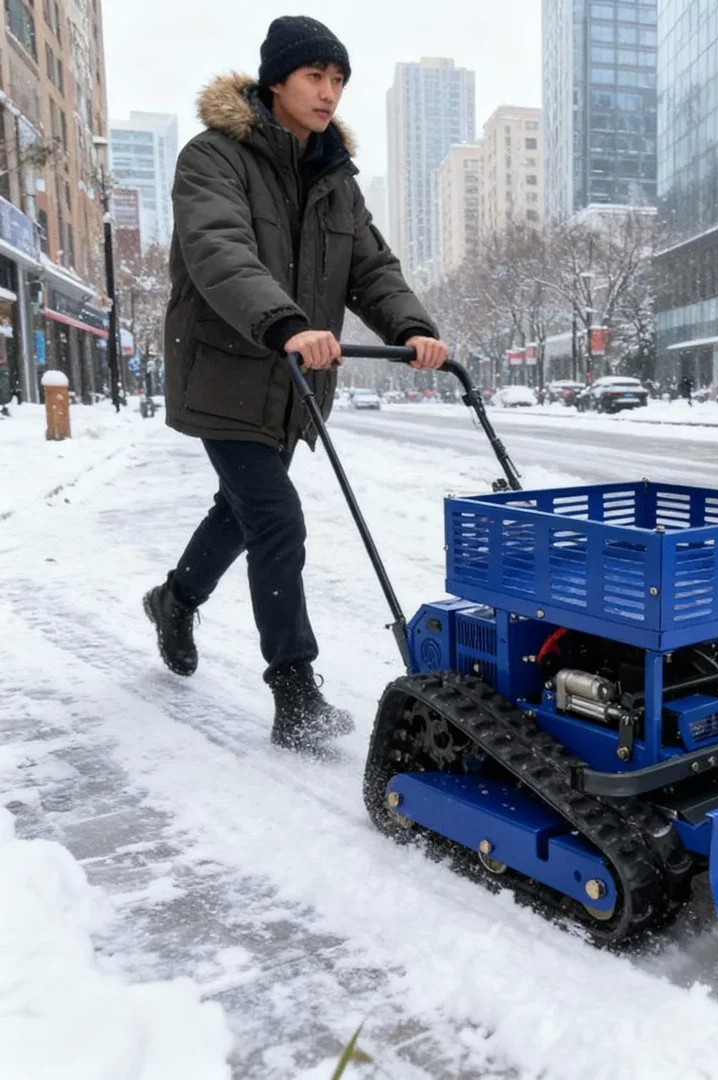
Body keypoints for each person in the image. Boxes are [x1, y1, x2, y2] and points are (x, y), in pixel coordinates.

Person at [144, 16, 447, 758]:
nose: (329, 91)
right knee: (276, 517)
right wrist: (282, 321)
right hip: (228, 368)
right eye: (315, 76)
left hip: (293, 381)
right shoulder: (213, 158)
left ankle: (174, 600)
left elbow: (372, 270)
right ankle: (295, 689)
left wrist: (412, 328)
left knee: (243, 511)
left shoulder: (336, 181)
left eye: (338, 79)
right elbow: (220, 251)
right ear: (275, 79)